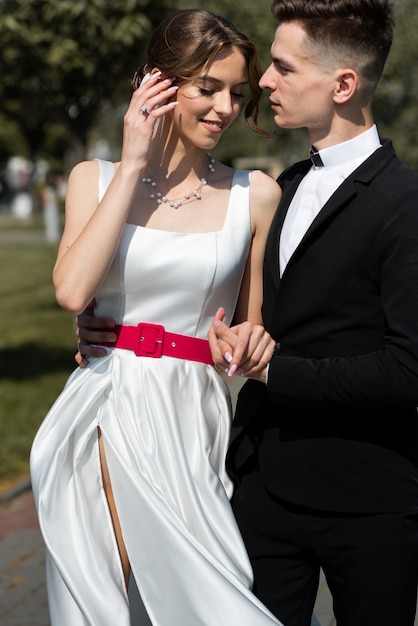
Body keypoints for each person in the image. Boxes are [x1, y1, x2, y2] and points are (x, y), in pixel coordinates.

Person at [30, 9, 285, 626]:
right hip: (108, 403)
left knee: (208, 600)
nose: (225, 108)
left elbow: (248, 337)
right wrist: (133, 161)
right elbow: (72, 291)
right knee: (110, 597)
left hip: (194, 418)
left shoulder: (256, 196)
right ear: (159, 85)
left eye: (236, 93)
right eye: (208, 87)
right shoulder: (94, 179)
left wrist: (247, 345)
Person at [206, 1, 418, 625]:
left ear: (343, 85)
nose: (264, 80)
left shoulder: (405, 206)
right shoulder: (289, 184)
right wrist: (113, 334)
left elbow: (409, 368)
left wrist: (278, 374)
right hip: (263, 489)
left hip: (369, 500)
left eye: (282, 67)